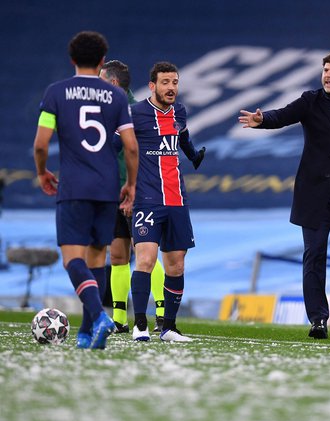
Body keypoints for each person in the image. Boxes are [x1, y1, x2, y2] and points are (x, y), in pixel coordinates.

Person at [239, 50, 330, 339]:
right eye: (325, 70)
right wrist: (262, 119)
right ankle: (318, 319)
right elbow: (282, 115)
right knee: (314, 255)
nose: (328, 76)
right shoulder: (311, 100)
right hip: (315, 194)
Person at [33, 30, 139, 349]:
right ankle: (84, 332)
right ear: (102, 61)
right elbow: (131, 148)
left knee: (72, 260)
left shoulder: (56, 92)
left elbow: (41, 144)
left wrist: (42, 172)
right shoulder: (117, 96)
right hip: (107, 188)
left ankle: (99, 315)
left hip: (75, 185)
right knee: (98, 256)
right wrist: (131, 184)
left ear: (72, 60)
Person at [130, 61, 205, 343]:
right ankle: (140, 325)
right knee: (145, 259)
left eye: (174, 82)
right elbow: (116, 147)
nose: (171, 87)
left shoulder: (180, 112)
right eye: (165, 82)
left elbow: (182, 136)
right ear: (152, 86)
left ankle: (169, 328)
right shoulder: (135, 113)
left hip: (177, 199)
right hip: (146, 199)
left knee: (176, 266)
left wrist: (194, 155)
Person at [99, 60, 166, 334]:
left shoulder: (133, 113)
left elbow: (136, 154)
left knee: (145, 252)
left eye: (100, 80)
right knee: (117, 255)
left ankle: (162, 312)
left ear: (113, 84)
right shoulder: (107, 111)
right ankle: (118, 318)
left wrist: (133, 188)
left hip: (135, 192)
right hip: (111, 191)